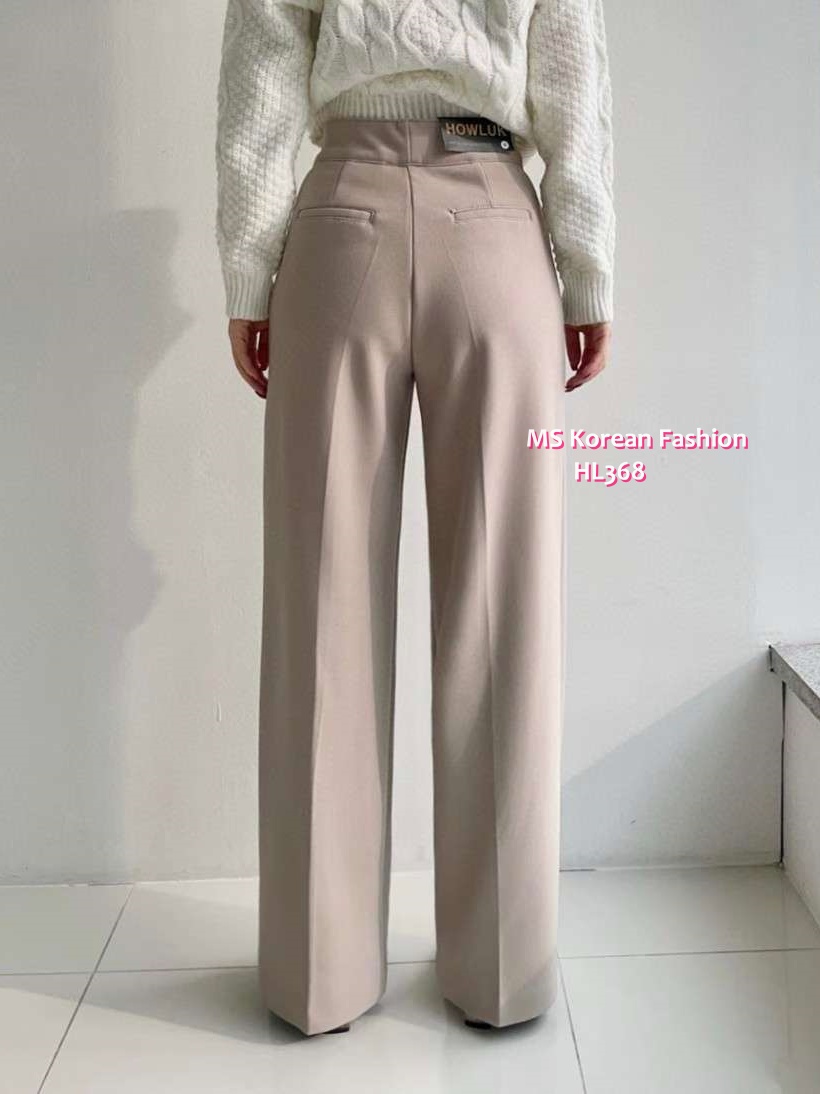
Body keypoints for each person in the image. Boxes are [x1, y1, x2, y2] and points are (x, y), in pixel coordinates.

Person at [215, 0, 614, 1037]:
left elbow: (260, 85)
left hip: (338, 221)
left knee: (319, 607)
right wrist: (587, 271)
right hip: (494, 225)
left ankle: (317, 975)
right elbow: (572, 88)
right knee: (504, 611)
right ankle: (502, 971)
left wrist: (249, 271)